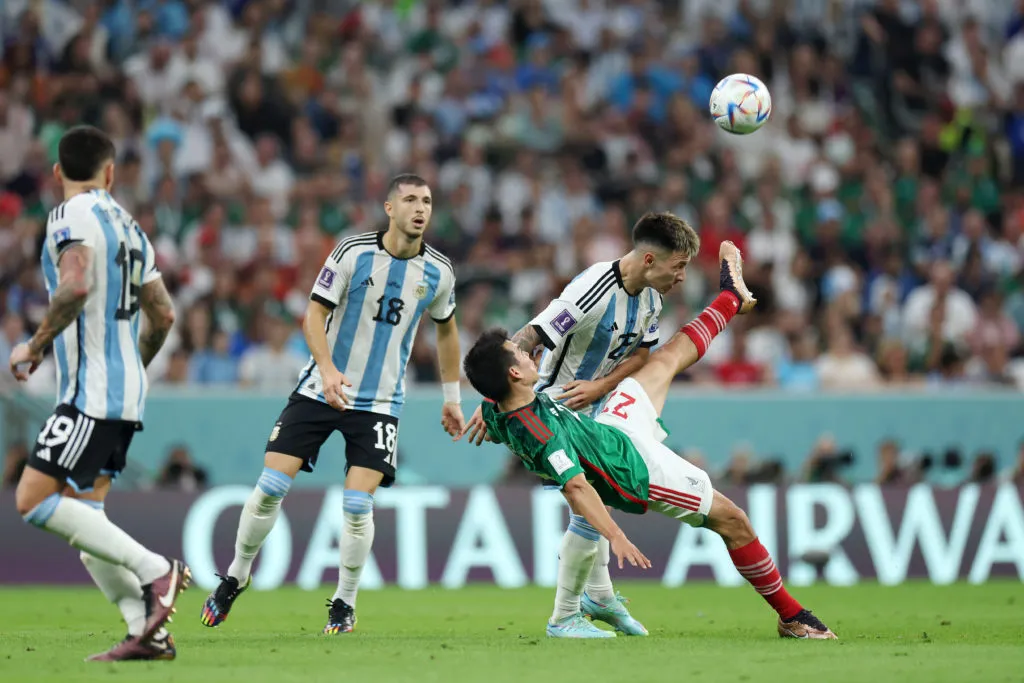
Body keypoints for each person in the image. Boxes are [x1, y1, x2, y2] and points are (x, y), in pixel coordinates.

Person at [463, 242, 837, 640]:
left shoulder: (503, 406)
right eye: (517, 356)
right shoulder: (539, 425)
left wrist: (488, 398)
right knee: (733, 520)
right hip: (633, 469)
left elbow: (504, 387)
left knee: (667, 358)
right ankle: (792, 616)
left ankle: (731, 298)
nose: (529, 354)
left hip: (612, 426)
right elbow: (576, 487)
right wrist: (618, 536)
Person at [200, 174, 466, 634]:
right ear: (389, 208)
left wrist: (451, 397)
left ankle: (343, 603)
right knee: (268, 488)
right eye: (409, 200)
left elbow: (446, 330)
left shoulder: (439, 271)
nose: (420, 208)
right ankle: (237, 576)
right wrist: (326, 371)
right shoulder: (352, 252)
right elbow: (315, 315)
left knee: (358, 506)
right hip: (319, 390)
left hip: (380, 402)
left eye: (426, 201)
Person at [461, 211, 698, 637]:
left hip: (596, 404)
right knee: (586, 498)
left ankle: (600, 598)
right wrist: (493, 394)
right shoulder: (592, 290)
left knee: (595, 501)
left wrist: (601, 385)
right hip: (553, 406)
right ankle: (567, 615)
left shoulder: (652, 300)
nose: (682, 276)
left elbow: (642, 355)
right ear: (649, 259)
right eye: (678, 265)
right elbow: (529, 337)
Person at [9, 125, 188, 661]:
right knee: (86, 522)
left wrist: (36, 344)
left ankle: (158, 570)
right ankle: (145, 632)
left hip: (91, 391)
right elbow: (164, 314)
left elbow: (77, 283)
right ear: (111, 173)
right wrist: (134, 366)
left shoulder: (70, 214)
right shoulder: (132, 228)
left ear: (59, 173)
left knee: (32, 500)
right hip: (125, 390)